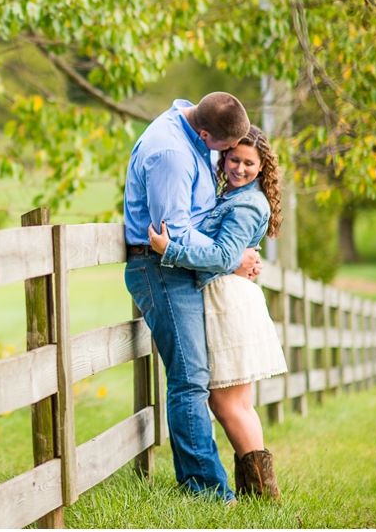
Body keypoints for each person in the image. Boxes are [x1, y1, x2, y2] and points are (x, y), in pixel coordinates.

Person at [123, 92, 261, 503]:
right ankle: (206, 489)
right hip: (161, 268)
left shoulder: (190, 128)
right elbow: (175, 235)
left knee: (199, 376)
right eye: (224, 150)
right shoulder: (172, 155)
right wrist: (230, 258)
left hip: (181, 268)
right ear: (204, 132)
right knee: (190, 378)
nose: (227, 159)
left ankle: (219, 482)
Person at [148, 125, 287, 500]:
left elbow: (223, 256)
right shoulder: (235, 194)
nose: (239, 167)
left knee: (226, 403)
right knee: (238, 403)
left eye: (249, 163)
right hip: (232, 294)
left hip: (227, 301)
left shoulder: (244, 202)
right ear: (224, 156)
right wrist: (238, 259)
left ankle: (261, 491)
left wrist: (169, 250)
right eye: (234, 159)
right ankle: (258, 493)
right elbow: (231, 254)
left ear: (262, 167)